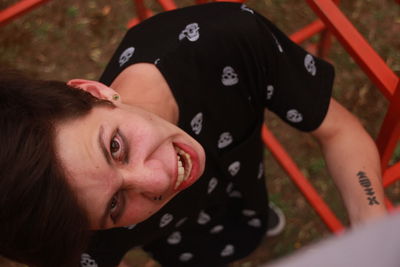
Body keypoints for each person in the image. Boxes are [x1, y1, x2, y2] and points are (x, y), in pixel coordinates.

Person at [0, 2, 387, 267]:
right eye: (115, 205)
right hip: (180, 244)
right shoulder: (73, 234)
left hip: (241, 187)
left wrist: (373, 232)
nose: (161, 178)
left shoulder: (228, 39)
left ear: (95, 93)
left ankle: (256, 221)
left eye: (116, 147)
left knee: (249, 217)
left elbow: (339, 131)